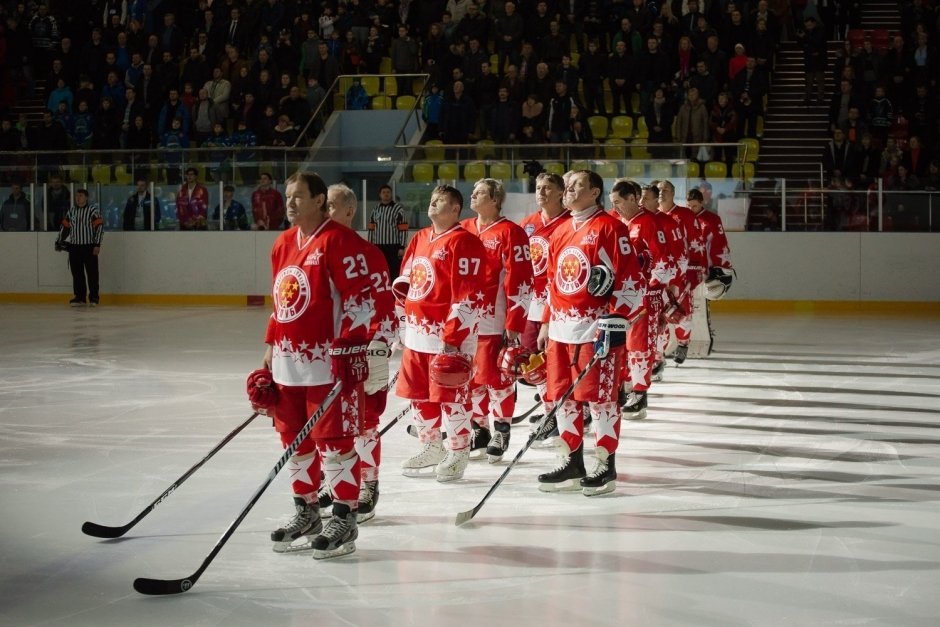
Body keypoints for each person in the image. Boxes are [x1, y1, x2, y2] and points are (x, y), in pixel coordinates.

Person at [249, 171, 376, 558]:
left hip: (328, 366)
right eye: (288, 196)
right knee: (295, 442)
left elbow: (362, 300)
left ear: (320, 200)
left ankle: (344, 517)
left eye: (298, 196)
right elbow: (281, 302)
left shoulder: (341, 241)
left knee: (335, 444)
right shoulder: (283, 243)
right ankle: (306, 512)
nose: (289, 203)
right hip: (288, 365)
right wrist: (271, 348)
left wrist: (349, 349)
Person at [536, 170, 645, 496]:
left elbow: (632, 282)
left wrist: (616, 322)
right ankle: (571, 463)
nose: (568, 189)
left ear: (595, 191)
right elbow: (552, 283)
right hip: (561, 331)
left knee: (601, 400)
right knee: (562, 399)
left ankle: (605, 465)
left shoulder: (610, 228)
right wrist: (545, 322)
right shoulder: (560, 231)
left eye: (576, 184)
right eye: (567, 185)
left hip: (595, 331)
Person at [396, 185, 489, 482]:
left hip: (447, 336)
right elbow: (405, 284)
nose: (433, 204)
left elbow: (469, 295)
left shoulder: (466, 242)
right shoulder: (420, 238)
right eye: (432, 199)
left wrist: (452, 337)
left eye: (441, 201)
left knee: (451, 394)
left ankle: (459, 451)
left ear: (455, 209)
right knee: (419, 395)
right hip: (416, 333)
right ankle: (431, 445)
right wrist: (402, 323)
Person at [326, 183, 397, 522]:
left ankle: (368, 483)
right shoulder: (313, 251)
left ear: (349, 210)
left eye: (331, 206)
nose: (324, 212)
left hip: (359, 350)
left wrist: (379, 346)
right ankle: (337, 483)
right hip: (323, 353)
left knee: (365, 420)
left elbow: (384, 304)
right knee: (330, 423)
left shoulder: (369, 253)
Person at [461, 178, 533, 462]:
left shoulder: (511, 232)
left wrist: (514, 323)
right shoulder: (464, 228)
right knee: (470, 378)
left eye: (479, 193)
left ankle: (502, 428)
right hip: (465, 319)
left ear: (494, 199)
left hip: (494, 317)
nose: (472, 196)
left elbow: (521, 280)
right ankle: (479, 428)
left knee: (498, 376)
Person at [608, 179, 679, 420]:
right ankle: (624, 387)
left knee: (639, 347)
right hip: (620, 297)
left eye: (618, 202)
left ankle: (639, 395)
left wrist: (648, 287)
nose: (615, 207)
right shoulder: (617, 222)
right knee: (621, 345)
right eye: (612, 203)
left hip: (644, 296)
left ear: (632, 198)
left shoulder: (648, 222)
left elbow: (665, 262)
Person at [518, 171, 572, 444]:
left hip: (559, 305)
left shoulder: (570, 223)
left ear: (561, 192)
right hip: (531, 304)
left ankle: (565, 414)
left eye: (548, 188)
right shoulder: (527, 223)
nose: (542, 192)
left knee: (557, 364)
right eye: (539, 187)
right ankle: (551, 412)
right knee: (532, 363)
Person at [657, 180, 706, 366]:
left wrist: (695, 269)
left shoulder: (684, 215)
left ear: (673, 192)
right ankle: (658, 357)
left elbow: (696, 242)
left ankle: (683, 343)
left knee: (681, 313)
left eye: (666, 189)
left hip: (681, 273)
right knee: (659, 316)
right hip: (659, 274)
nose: (662, 192)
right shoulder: (651, 215)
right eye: (659, 189)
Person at [687, 187, 733, 352]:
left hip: (706, 268)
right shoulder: (686, 219)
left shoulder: (711, 220)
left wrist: (720, 266)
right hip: (690, 267)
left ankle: (706, 336)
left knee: (702, 304)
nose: (692, 209)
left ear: (702, 202)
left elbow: (718, 244)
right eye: (689, 206)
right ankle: (690, 337)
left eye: (695, 206)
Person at [56, 189, 103, 307]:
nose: (78, 198)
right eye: (77, 196)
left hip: (89, 246)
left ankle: (94, 297)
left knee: (92, 273)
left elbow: (99, 228)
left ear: (86, 198)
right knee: (77, 273)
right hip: (75, 247)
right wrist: (59, 240)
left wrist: (97, 244)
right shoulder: (71, 211)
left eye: (81, 196)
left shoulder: (93, 211)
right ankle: (80, 297)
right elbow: (65, 227)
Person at [367, 185, 408, 280]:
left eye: (388, 192)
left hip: (394, 246)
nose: (386, 194)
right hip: (378, 246)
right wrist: (369, 245)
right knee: (379, 268)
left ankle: (393, 291)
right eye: (383, 192)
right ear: (380, 195)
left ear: (391, 194)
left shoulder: (398, 209)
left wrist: (402, 247)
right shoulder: (375, 210)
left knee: (394, 270)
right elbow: (371, 228)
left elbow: (403, 229)